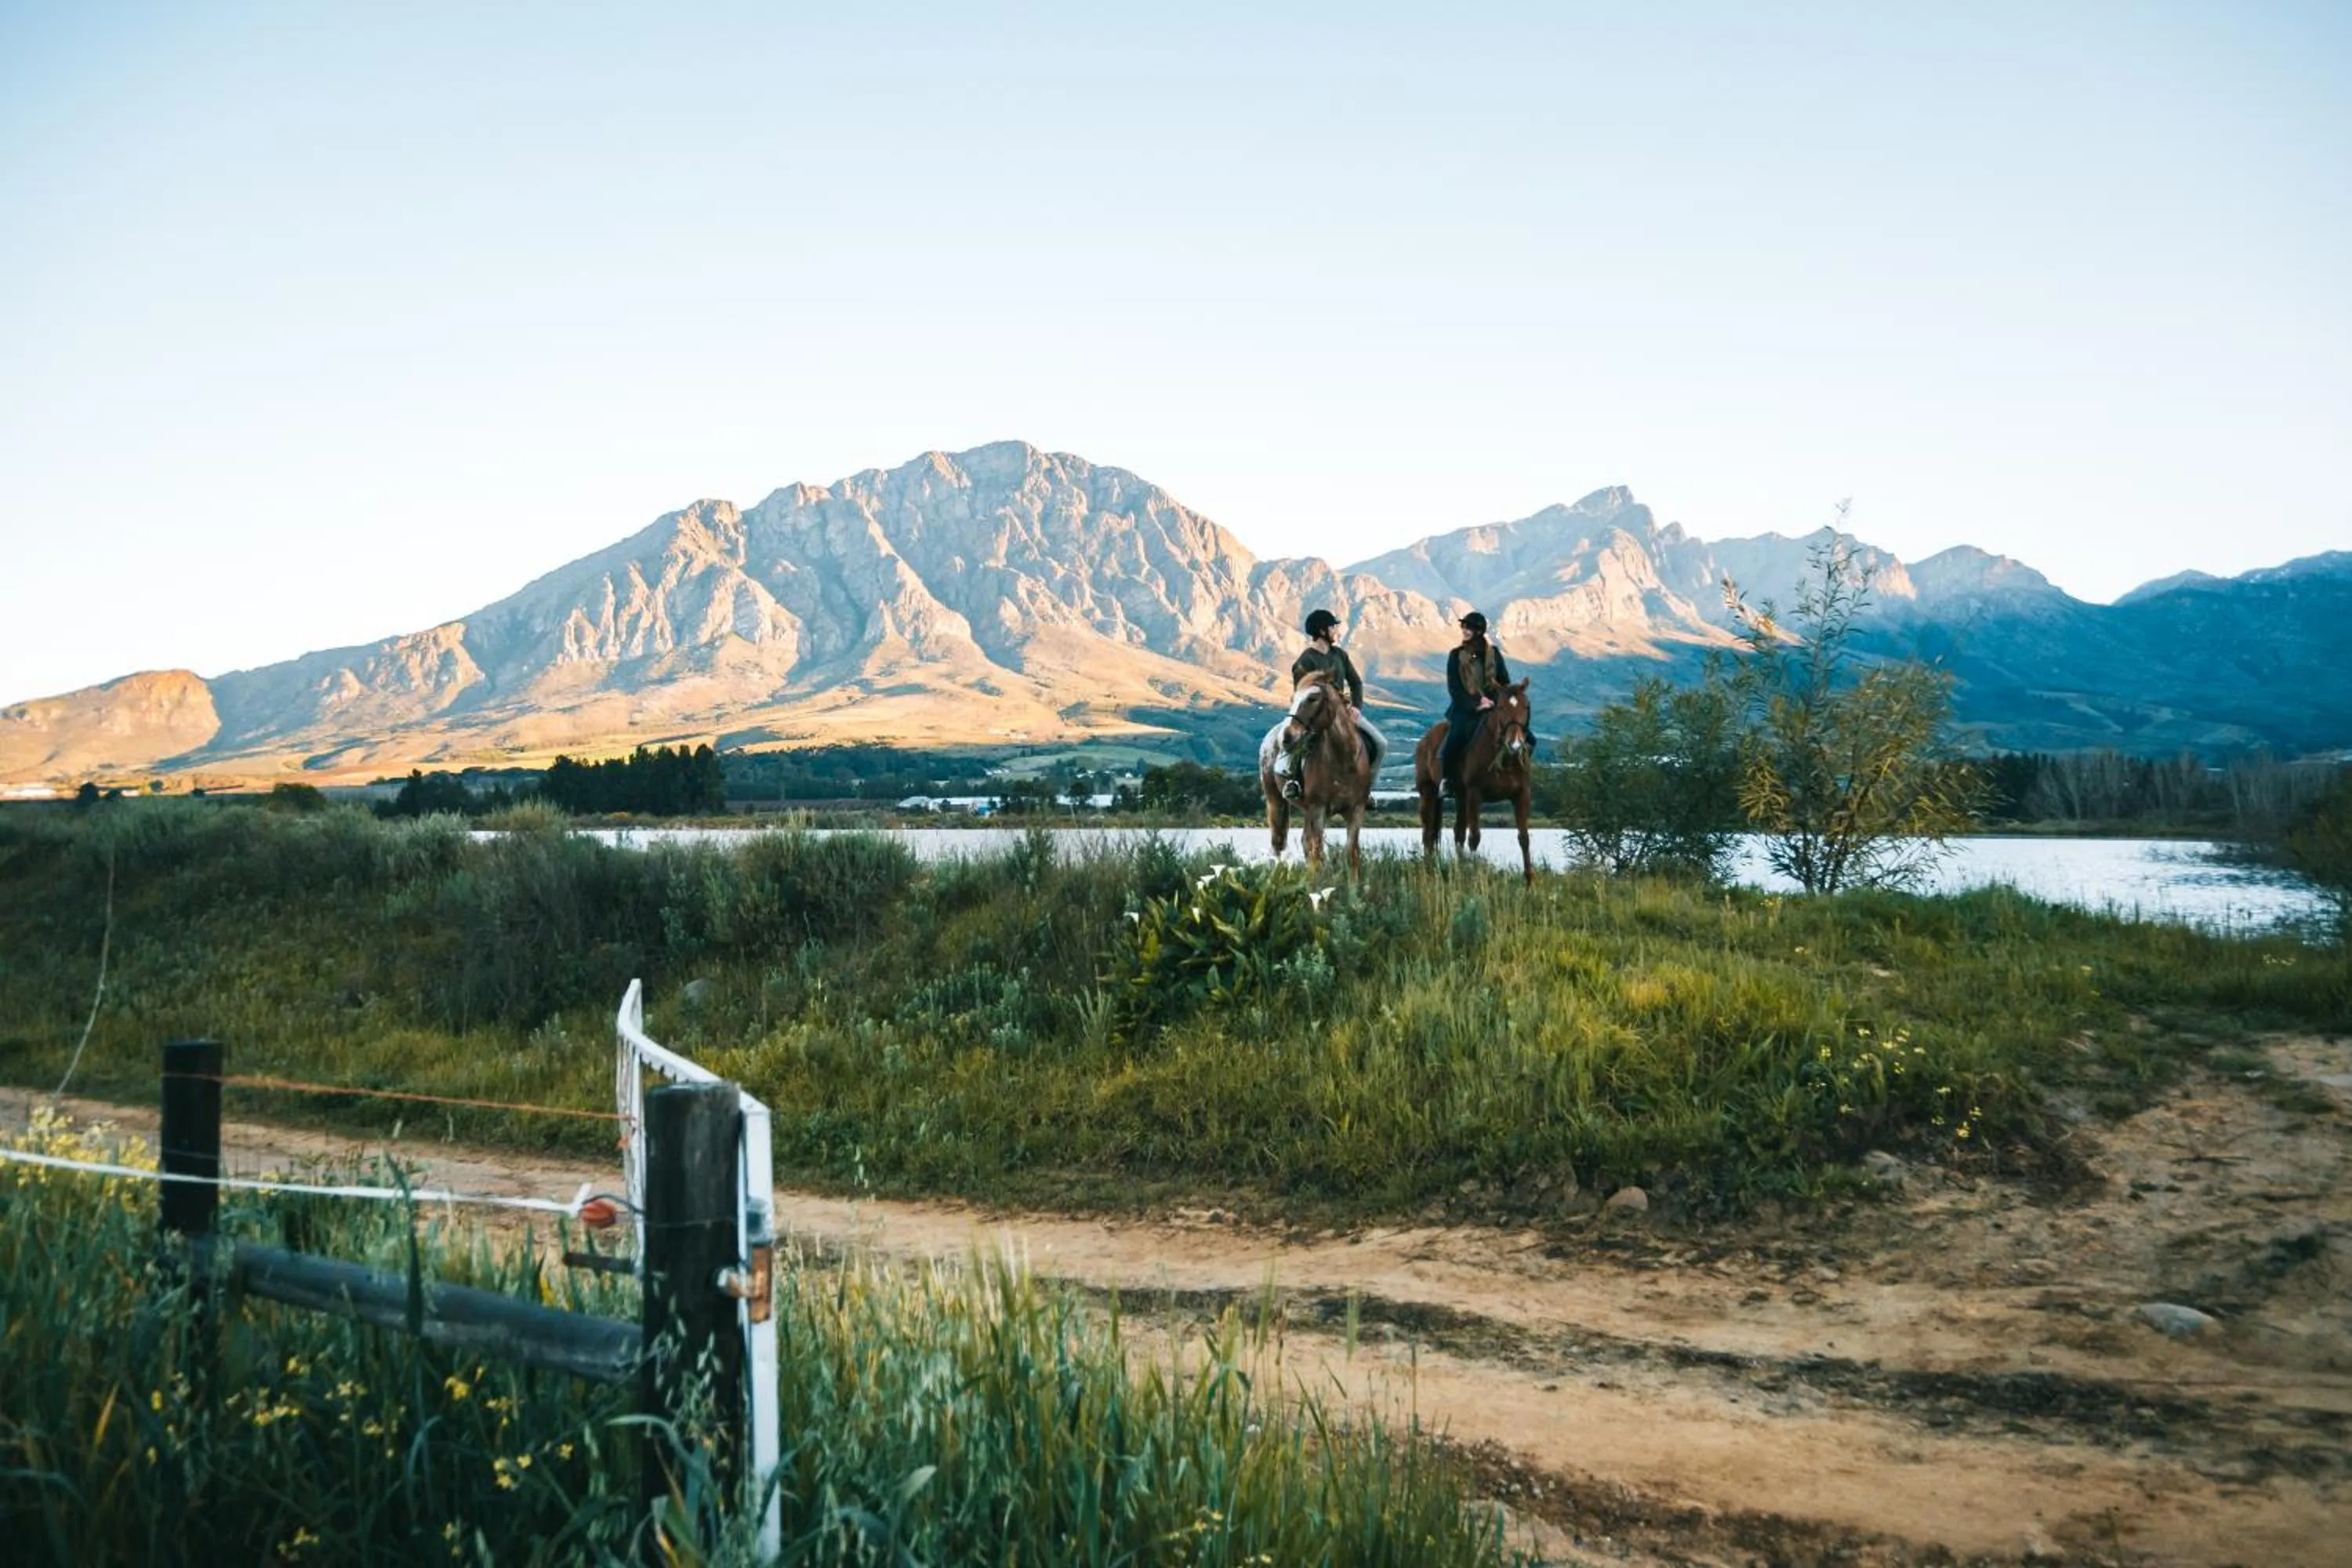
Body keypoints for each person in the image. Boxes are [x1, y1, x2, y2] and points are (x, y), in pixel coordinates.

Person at [1274, 609, 1382, 800]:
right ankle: (1294, 782)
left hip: (1345, 713)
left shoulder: (1340, 655)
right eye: (1333, 627)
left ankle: (1366, 789)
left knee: (1381, 744)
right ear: (1322, 631)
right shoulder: (1305, 660)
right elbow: (1301, 693)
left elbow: (1356, 683)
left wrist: (1356, 707)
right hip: (1316, 716)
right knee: (1297, 744)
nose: (1336, 631)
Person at [1438, 611, 1510, 795]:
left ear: (1479, 631)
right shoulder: (1455, 655)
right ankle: (1448, 780)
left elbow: (1505, 683)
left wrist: (1492, 701)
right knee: (1454, 738)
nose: (1464, 630)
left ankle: (1514, 776)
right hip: (1465, 708)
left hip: (1494, 707)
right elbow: (1454, 688)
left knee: (1523, 736)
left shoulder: (1494, 654)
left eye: (1468, 627)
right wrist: (1476, 703)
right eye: (1463, 626)